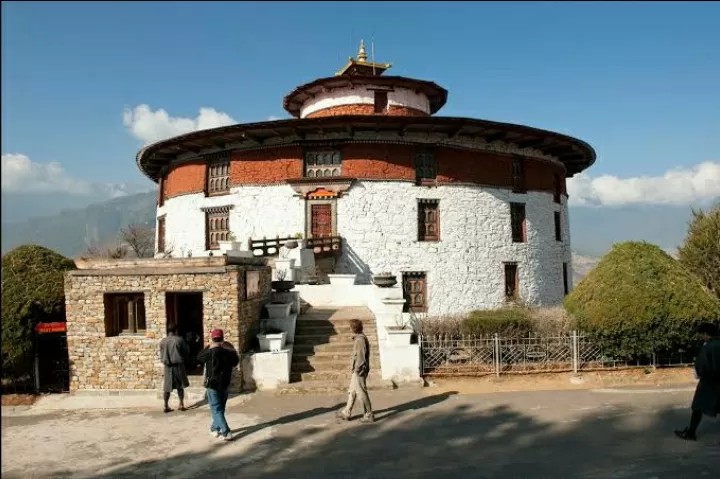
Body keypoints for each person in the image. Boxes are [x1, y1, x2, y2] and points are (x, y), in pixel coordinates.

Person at [674, 321, 720, 441]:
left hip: (710, 382)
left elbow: (702, 365)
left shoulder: (708, 346)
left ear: (706, 333)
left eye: (702, 334)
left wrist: (699, 373)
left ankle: (691, 433)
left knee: (698, 406)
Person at [197, 329, 240, 441]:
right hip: (225, 384)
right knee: (220, 408)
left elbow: (199, 357)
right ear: (222, 338)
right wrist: (230, 349)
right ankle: (214, 428)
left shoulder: (210, 352)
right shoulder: (228, 352)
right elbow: (236, 361)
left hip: (213, 385)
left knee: (216, 409)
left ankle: (226, 432)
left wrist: (208, 346)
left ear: (212, 338)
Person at [336, 319, 375, 423]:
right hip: (357, 370)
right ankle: (346, 412)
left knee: (361, 392)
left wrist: (357, 370)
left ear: (353, 328)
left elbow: (361, 358)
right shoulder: (359, 338)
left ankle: (369, 414)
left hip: (359, 370)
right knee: (352, 391)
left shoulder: (360, 340)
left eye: (350, 327)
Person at [159, 323, 190, 413]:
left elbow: (161, 354)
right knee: (180, 386)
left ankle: (166, 405)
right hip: (178, 365)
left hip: (167, 366)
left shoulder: (163, 341)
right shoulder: (179, 340)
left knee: (167, 387)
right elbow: (186, 351)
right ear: (176, 330)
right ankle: (181, 404)